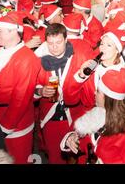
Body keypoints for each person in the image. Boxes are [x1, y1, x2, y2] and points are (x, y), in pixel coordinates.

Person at [0, 11, 41, 164]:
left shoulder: (27, 58)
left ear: (13, 31)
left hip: (15, 125)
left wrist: (4, 128)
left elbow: (21, 98)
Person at [61, 69, 125, 164]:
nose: (94, 93)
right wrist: (71, 139)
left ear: (107, 98)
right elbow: (85, 143)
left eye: (98, 91)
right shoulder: (95, 115)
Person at [34, 23, 90, 164]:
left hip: (75, 116)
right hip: (50, 118)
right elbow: (28, 89)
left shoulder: (78, 57)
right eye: (50, 43)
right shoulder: (38, 60)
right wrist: (40, 91)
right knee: (55, 158)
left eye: (58, 42)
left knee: (80, 157)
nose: (54, 47)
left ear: (66, 39)